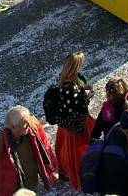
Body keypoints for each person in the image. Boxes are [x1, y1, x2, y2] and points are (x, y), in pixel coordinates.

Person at [0, 104, 58, 196]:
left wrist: (54, 169)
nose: (28, 127)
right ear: (13, 127)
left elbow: (46, 148)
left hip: (33, 184)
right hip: (12, 191)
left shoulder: (33, 126)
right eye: (25, 126)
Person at [52, 51, 94, 189]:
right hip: (75, 125)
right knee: (76, 154)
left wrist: (85, 87)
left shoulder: (65, 78)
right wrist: (88, 97)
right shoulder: (70, 89)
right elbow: (77, 106)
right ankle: (78, 174)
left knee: (63, 149)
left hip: (66, 125)